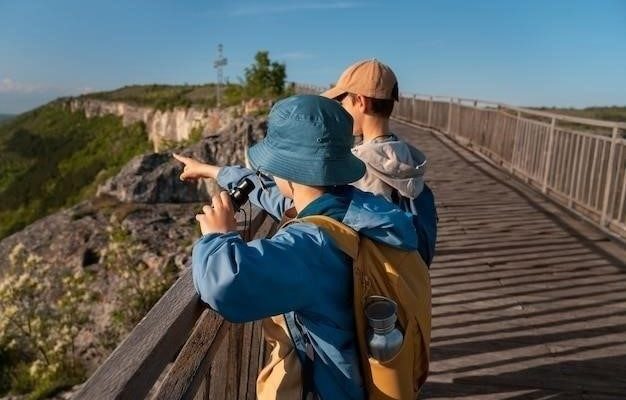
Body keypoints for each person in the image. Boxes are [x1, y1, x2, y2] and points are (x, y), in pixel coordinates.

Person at [175, 95, 424, 399]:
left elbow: (225, 283)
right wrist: (215, 171)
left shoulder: (311, 246)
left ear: (287, 171)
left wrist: (219, 236)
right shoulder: (354, 207)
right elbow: (277, 197)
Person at [321, 58, 437, 266]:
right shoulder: (407, 158)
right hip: (408, 276)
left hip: (375, 284)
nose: (341, 108)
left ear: (361, 101)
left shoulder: (357, 167)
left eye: (343, 101)